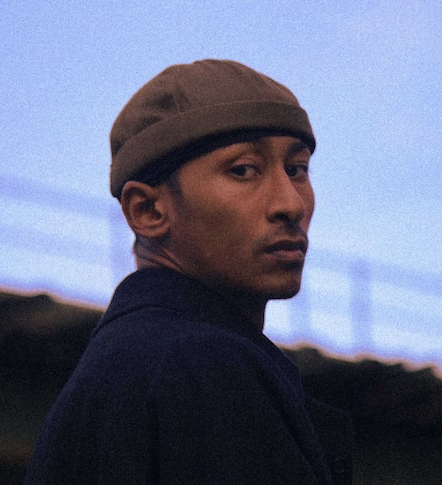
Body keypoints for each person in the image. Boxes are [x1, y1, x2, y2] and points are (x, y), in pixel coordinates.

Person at [24, 59, 353, 484]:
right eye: (243, 170)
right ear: (148, 210)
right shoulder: (203, 364)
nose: (290, 204)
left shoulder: (124, 366)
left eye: (297, 170)